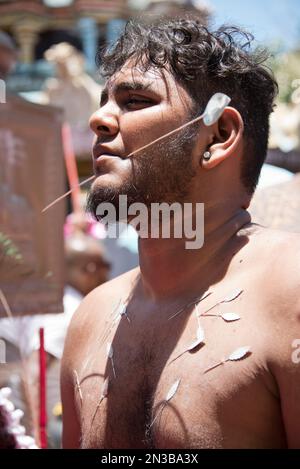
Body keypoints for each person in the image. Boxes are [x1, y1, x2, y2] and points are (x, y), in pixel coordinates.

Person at [61, 19, 300, 449]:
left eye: (135, 100)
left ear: (218, 134)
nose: (98, 119)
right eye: (103, 102)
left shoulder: (290, 293)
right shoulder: (89, 320)